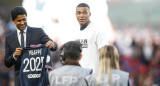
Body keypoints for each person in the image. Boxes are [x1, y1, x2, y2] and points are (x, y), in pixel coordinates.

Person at [4, 6, 57, 86]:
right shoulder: (9, 38)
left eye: (24, 19)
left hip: (38, 79)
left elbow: (53, 45)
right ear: (13, 21)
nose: (22, 22)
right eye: (19, 20)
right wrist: (14, 55)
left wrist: (53, 45)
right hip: (20, 81)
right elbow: (7, 62)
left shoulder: (38, 32)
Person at [75, 3, 108, 73]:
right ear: (75, 15)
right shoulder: (75, 32)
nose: (81, 15)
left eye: (84, 13)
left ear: (90, 14)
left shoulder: (97, 31)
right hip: (80, 76)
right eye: (79, 13)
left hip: (94, 76)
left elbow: (105, 53)